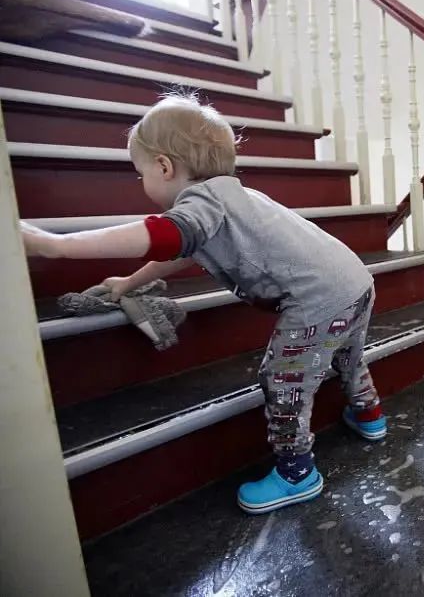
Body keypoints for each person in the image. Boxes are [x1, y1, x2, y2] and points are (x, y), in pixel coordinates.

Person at [21, 93, 387, 514]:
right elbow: (185, 248)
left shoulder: (202, 203)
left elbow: (167, 236)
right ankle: (369, 415)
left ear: (164, 166)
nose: (142, 183)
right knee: (348, 356)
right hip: (355, 281)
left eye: (141, 174)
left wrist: (57, 246)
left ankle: (296, 473)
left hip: (318, 299)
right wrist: (131, 282)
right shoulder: (237, 197)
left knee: (282, 380)